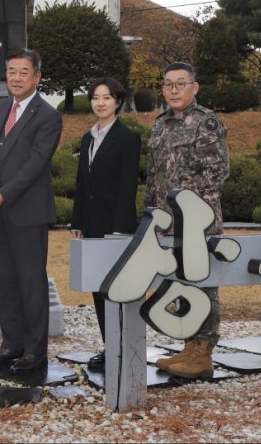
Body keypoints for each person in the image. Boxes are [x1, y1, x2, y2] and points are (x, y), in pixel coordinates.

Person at [0, 48, 63, 373]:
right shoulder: (1, 108)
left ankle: (35, 352)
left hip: (27, 213)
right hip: (0, 213)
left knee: (30, 283)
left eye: (23, 72)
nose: (16, 77)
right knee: (6, 282)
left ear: (37, 77)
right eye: (11, 71)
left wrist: (2, 195)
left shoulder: (47, 115)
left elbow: (34, 165)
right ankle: (11, 345)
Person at [147, 61, 229, 380]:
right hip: (166, 223)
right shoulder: (160, 124)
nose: (174, 90)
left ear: (195, 87)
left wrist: (186, 202)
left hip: (198, 222)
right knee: (179, 283)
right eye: (168, 84)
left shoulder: (205, 122)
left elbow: (217, 172)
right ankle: (188, 345)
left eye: (181, 83)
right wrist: (151, 215)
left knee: (203, 284)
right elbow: (154, 176)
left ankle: (203, 351)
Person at [69, 76, 141, 369]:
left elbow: (128, 188)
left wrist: (120, 231)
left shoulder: (128, 139)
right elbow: (82, 183)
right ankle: (110, 346)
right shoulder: (88, 138)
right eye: (96, 98)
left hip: (115, 227)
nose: (100, 103)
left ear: (118, 102)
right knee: (98, 289)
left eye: (107, 98)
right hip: (91, 226)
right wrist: (77, 221)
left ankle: (125, 347)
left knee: (117, 289)